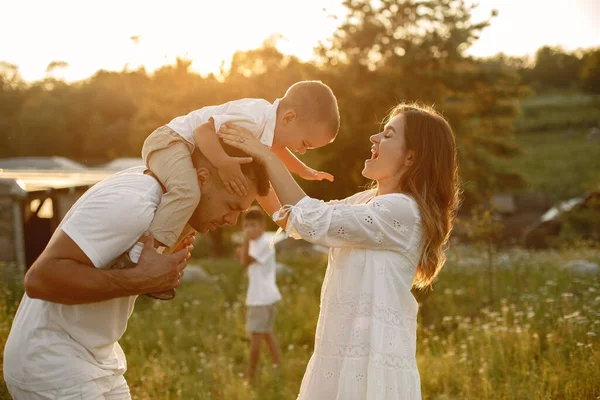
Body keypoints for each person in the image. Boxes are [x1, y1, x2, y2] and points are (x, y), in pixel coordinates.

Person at [218, 103, 461, 399]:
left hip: (371, 359)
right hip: (341, 350)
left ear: (411, 156)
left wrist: (266, 155)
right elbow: (294, 218)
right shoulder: (366, 200)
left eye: (387, 134)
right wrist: (259, 167)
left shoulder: (402, 209)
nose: (374, 138)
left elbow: (309, 218)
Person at [3, 145, 270, 400]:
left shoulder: (168, 210)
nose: (232, 221)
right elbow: (40, 279)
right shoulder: (133, 202)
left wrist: (157, 275)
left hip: (99, 356)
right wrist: (139, 280)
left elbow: (122, 271)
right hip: (53, 361)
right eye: (232, 206)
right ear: (202, 179)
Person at [235, 207, 282, 382]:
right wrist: (244, 250)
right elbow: (243, 257)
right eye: (245, 226)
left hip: (260, 298)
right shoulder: (258, 243)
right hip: (266, 296)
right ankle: (278, 364)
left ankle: (250, 376)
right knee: (267, 333)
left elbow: (244, 262)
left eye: (252, 225)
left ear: (262, 226)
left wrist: (244, 243)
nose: (248, 229)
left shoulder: (264, 243)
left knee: (256, 335)